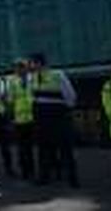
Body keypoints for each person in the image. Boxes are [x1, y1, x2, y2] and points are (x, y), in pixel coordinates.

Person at [30, 52, 79, 187]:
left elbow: (70, 95)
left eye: (33, 63)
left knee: (65, 149)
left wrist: (64, 110)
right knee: (43, 149)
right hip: (42, 118)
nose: (31, 66)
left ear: (40, 63)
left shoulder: (57, 74)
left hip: (58, 117)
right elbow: (33, 97)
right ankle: (44, 177)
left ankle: (73, 178)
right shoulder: (32, 78)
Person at [7, 58, 35, 180]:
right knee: (22, 147)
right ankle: (25, 171)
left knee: (33, 147)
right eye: (16, 68)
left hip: (33, 117)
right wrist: (11, 117)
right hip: (19, 119)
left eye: (20, 67)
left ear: (26, 68)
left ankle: (33, 170)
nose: (17, 70)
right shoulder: (13, 82)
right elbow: (10, 100)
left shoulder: (33, 79)